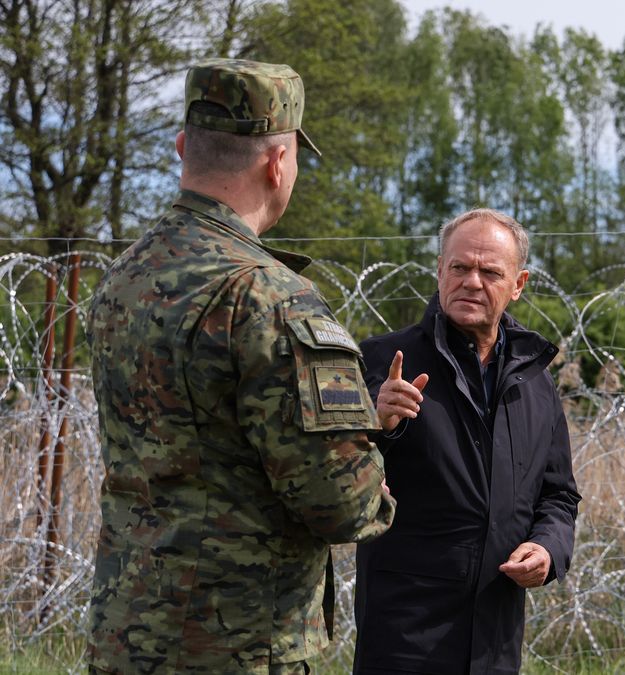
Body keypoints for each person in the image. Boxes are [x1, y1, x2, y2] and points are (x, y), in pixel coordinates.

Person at [86, 58, 395, 673]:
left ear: (182, 148)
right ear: (277, 163)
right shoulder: (267, 297)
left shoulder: (124, 277)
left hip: (128, 633)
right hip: (238, 644)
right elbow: (339, 502)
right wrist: (373, 485)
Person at [353, 208, 582, 674]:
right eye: (459, 267)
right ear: (440, 271)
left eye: (490, 271)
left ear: (518, 285)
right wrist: (376, 425)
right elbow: (329, 478)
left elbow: (558, 496)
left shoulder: (534, 381)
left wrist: (547, 550)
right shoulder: (380, 361)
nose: (471, 282)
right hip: (403, 640)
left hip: (495, 638)